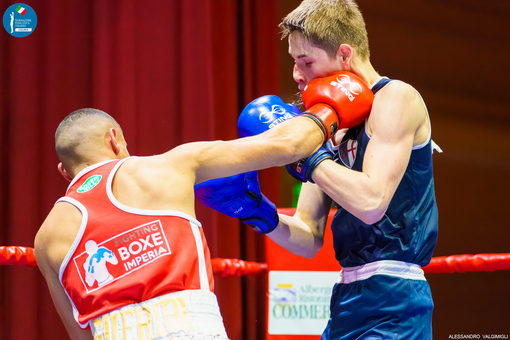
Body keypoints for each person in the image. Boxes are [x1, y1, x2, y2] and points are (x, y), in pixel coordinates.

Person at [198, 0, 441, 339]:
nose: (297, 74)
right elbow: (309, 236)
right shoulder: (328, 123)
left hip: (396, 301)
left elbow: (371, 203)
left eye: (306, 61)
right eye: (294, 62)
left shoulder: (396, 98)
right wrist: (255, 210)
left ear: (344, 55)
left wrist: (311, 156)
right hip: (345, 299)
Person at [34, 107, 333, 340]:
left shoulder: (46, 238)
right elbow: (292, 144)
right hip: (193, 328)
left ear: (64, 171)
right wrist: (330, 105)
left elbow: (79, 332)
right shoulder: (169, 165)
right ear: (114, 140)